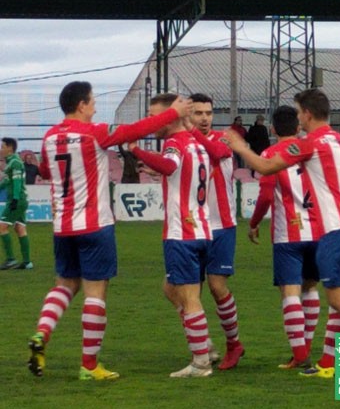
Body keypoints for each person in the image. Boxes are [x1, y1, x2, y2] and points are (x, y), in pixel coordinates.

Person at [28, 81, 191, 380]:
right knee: (95, 292)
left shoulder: (49, 137)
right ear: (81, 105)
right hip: (94, 225)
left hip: (62, 226)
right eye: (92, 102)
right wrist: (173, 114)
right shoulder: (95, 133)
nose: (95, 107)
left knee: (64, 285)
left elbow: (47, 172)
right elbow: (136, 131)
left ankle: (41, 333)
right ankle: (89, 366)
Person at [226, 88, 340, 379]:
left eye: (300, 113)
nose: (299, 119)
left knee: (338, 299)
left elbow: (265, 166)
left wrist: (239, 146)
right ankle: (328, 362)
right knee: (338, 297)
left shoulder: (309, 144)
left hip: (335, 229)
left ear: (308, 115)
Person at [129, 93, 215, 377]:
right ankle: (204, 343)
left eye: (157, 115)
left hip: (183, 232)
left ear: (174, 114)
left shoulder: (174, 142)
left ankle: (201, 361)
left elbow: (169, 166)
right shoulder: (197, 143)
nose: (154, 121)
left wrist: (136, 150)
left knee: (189, 297)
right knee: (170, 289)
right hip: (201, 227)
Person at [248, 105, 324, 370]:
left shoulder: (269, 154)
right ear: (299, 127)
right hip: (319, 230)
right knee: (311, 287)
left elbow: (267, 196)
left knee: (290, 291)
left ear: (271, 129)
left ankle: (300, 355)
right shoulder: (312, 151)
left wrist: (254, 223)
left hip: (288, 234)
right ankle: (307, 347)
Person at [187, 93, 245, 370]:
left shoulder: (224, 138)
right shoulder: (182, 143)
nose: (204, 118)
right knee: (180, 289)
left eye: (208, 113)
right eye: (198, 113)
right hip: (192, 226)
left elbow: (219, 154)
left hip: (221, 225)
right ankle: (203, 343)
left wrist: (191, 134)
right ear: (189, 115)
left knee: (217, 286)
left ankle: (233, 343)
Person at [1, 138, 32, 270]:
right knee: (20, 229)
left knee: (1, 227)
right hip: (20, 200)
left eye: (3, 146)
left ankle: (11, 259)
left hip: (17, 200)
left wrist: (14, 199)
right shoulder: (11, 163)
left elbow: (18, 183)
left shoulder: (15, 163)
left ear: (10, 148)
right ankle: (27, 262)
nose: (1, 149)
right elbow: (8, 182)